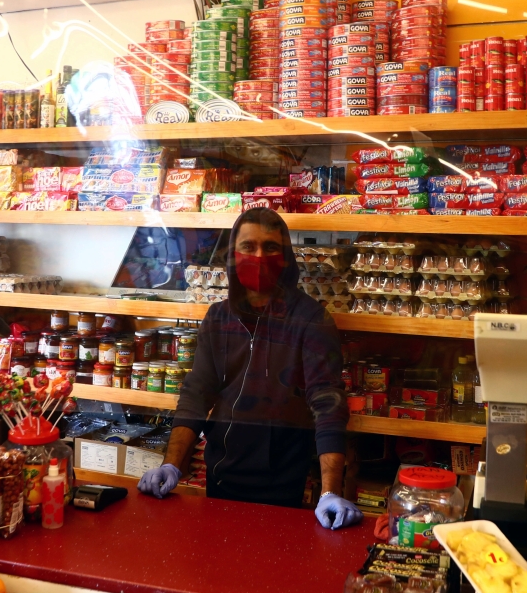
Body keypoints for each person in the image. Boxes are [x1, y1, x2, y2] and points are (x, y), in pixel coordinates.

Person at [137, 208, 363, 530]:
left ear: (285, 257)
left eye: (271, 247)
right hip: (221, 476)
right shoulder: (217, 318)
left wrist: (329, 491)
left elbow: (328, 403)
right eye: (249, 247)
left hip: (284, 481)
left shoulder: (311, 319)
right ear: (233, 254)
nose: (259, 256)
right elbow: (196, 393)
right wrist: (171, 464)